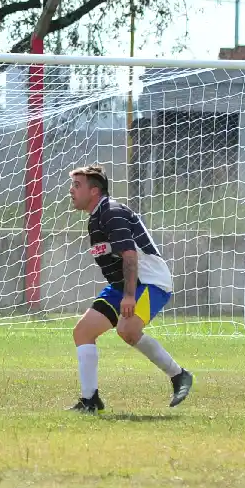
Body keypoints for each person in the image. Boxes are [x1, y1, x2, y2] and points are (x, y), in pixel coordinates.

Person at [66, 165, 193, 413]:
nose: (71, 190)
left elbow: (130, 256)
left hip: (150, 282)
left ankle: (179, 375)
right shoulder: (97, 217)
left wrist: (128, 296)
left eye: (77, 185)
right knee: (83, 332)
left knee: (127, 330)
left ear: (94, 191)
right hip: (123, 285)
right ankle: (89, 400)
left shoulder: (111, 213)